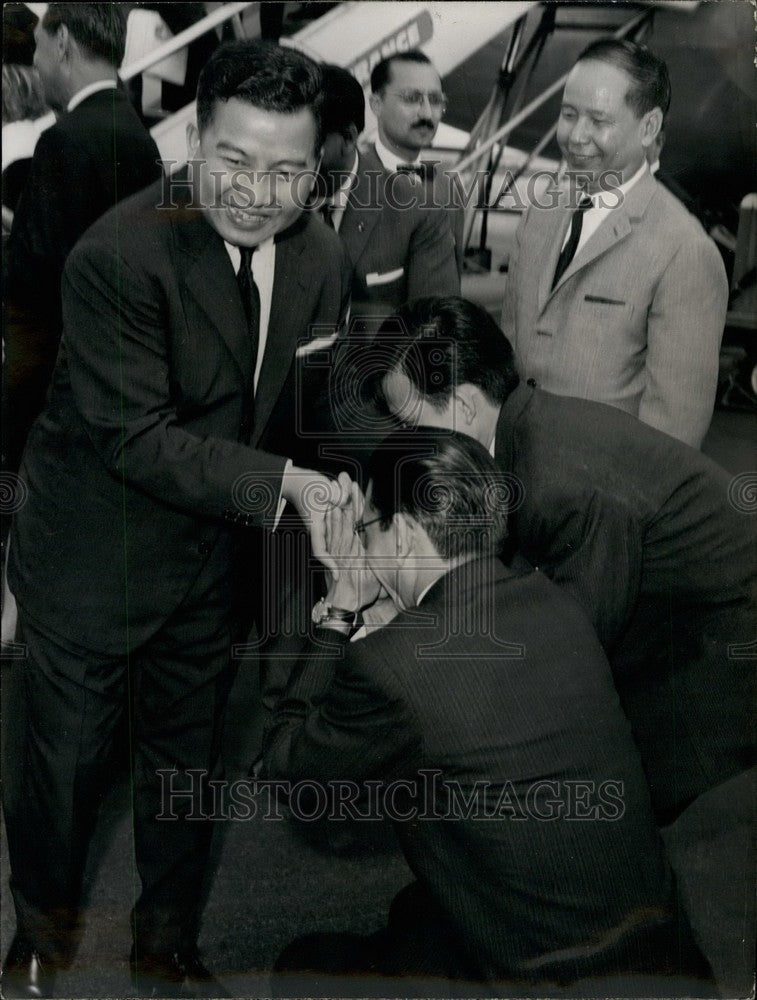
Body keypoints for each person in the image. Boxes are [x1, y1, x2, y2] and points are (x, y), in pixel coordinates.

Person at [3, 39, 352, 998]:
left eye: (287, 168)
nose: (255, 190)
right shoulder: (118, 253)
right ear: (191, 139)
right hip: (91, 557)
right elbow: (137, 441)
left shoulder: (324, 260)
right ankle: (38, 932)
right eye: (233, 159)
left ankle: (165, 944)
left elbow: (306, 412)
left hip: (208, 567)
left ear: (318, 168)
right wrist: (290, 485)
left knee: (185, 773)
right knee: (62, 776)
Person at [264, 429, 713, 996]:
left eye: (367, 530)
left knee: (303, 968)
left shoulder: (393, 668)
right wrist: (383, 626)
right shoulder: (558, 604)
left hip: (538, 979)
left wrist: (338, 612)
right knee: (417, 915)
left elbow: (289, 769)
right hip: (661, 960)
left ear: (402, 533)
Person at [372, 296, 755, 824]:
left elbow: (569, 647)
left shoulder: (557, 481)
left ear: (462, 406)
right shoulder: (521, 431)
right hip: (670, 603)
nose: (404, 440)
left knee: (611, 792)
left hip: (721, 633)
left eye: (409, 422)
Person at [501, 39, 728, 448]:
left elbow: (672, 438)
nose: (575, 136)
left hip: (601, 501)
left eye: (598, 120)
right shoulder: (540, 215)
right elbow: (508, 354)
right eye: (568, 114)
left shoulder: (685, 252)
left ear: (649, 127)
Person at [4, 3, 163, 473]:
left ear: (64, 42)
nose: (34, 63)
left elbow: (40, 276)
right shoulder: (136, 132)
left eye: (37, 49)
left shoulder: (65, 140)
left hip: (53, 384)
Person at [317, 63, 459, 318]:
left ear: (349, 138)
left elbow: (436, 328)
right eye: (411, 98)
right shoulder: (278, 196)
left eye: (312, 144)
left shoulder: (422, 207)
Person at [369, 50, 464, 274]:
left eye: (435, 100)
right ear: (376, 104)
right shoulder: (352, 181)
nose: (427, 113)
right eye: (412, 99)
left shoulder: (448, 185)